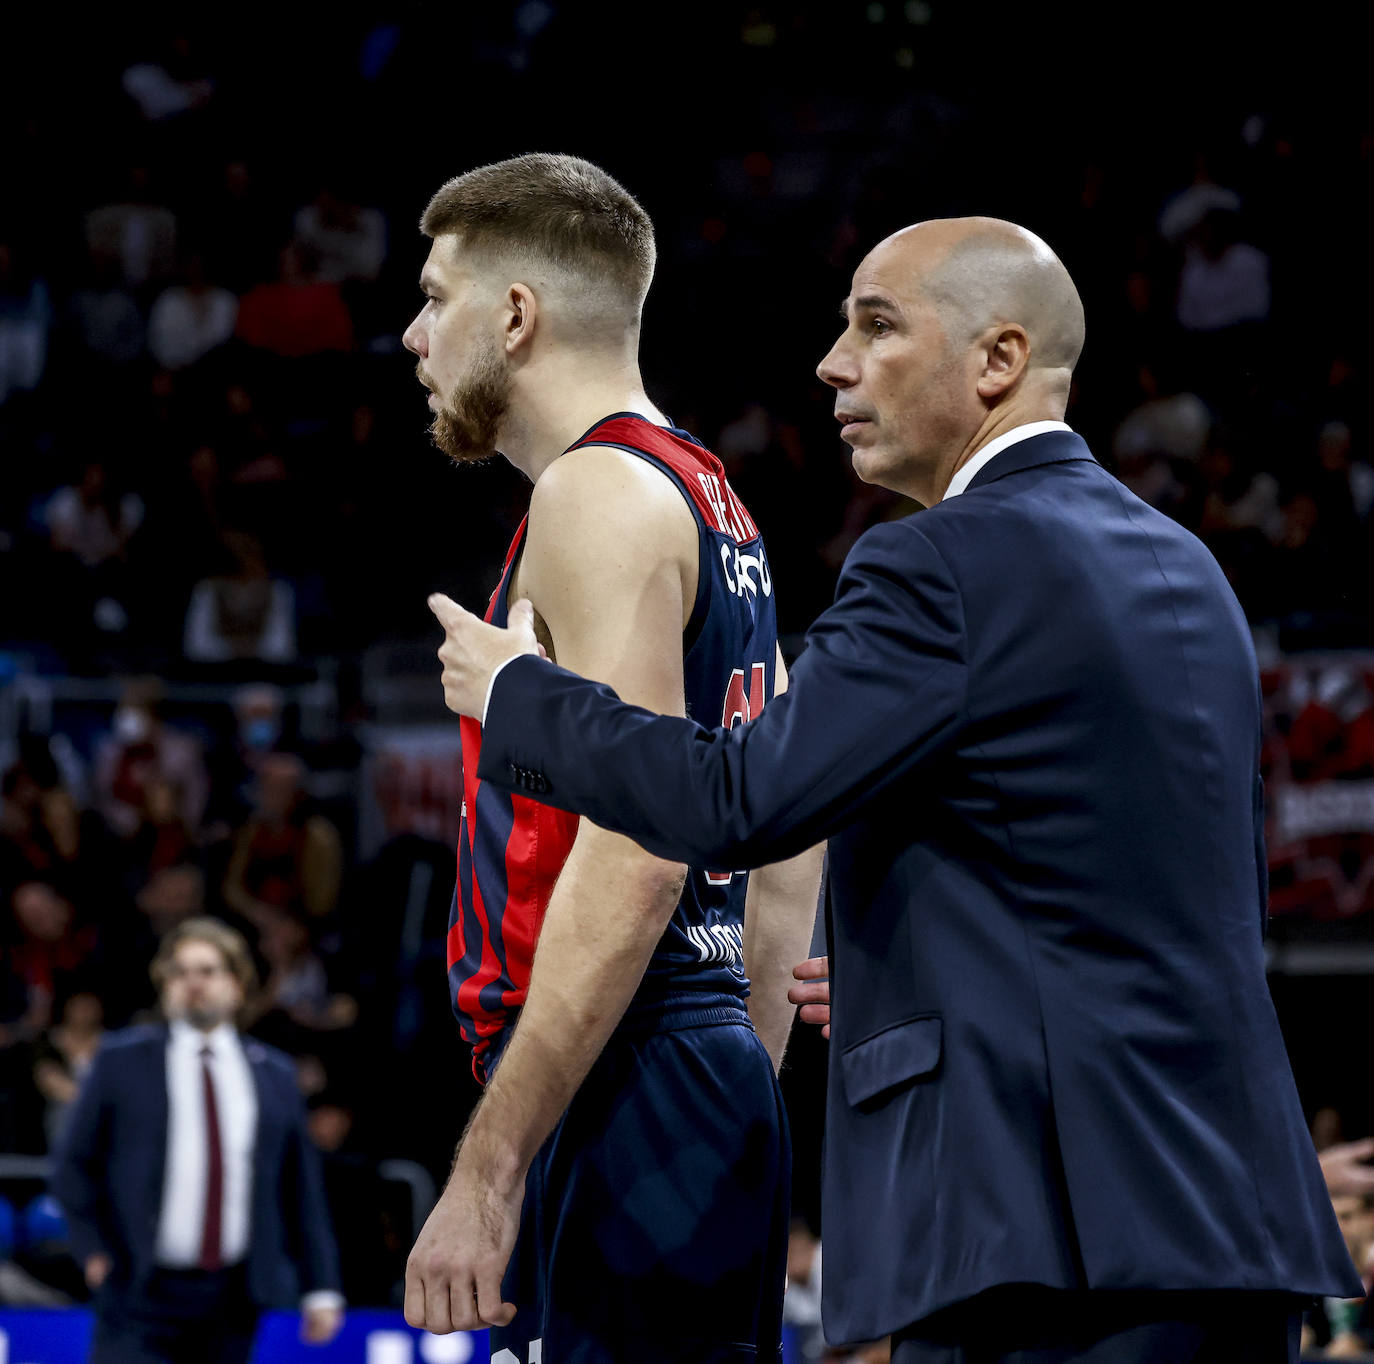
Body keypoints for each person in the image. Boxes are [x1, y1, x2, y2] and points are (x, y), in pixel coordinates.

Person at [425, 215, 1361, 1363]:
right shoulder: (1186, 564)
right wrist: (900, 972)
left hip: (1040, 1242)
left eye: (876, 325)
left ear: (998, 360)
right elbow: (1134, 887)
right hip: (1226, 1218)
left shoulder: (940, 560)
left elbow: (735, 800)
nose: (834, 361)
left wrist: (521, 695)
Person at [401, 153, 822, 1361]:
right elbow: (790, 827)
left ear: (517, 314)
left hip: (626, 1068)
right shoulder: (708, 490)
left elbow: (634, 856)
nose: (417, 333)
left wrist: (490, 1169)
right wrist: (734, 1066)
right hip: (697, 1072)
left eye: (438, 296)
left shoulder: (595, 490)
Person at [51, 917, 343, 1363]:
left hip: (233, 1294)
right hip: (136, 1287)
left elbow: (301, 1188)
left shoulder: (275, 1075)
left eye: (207, 971)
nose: (193, 983)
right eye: (180, 972)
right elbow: (73, 1162)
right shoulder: (121, 1060)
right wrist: (92, 1248)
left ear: (238, 984)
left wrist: (321, 1286)